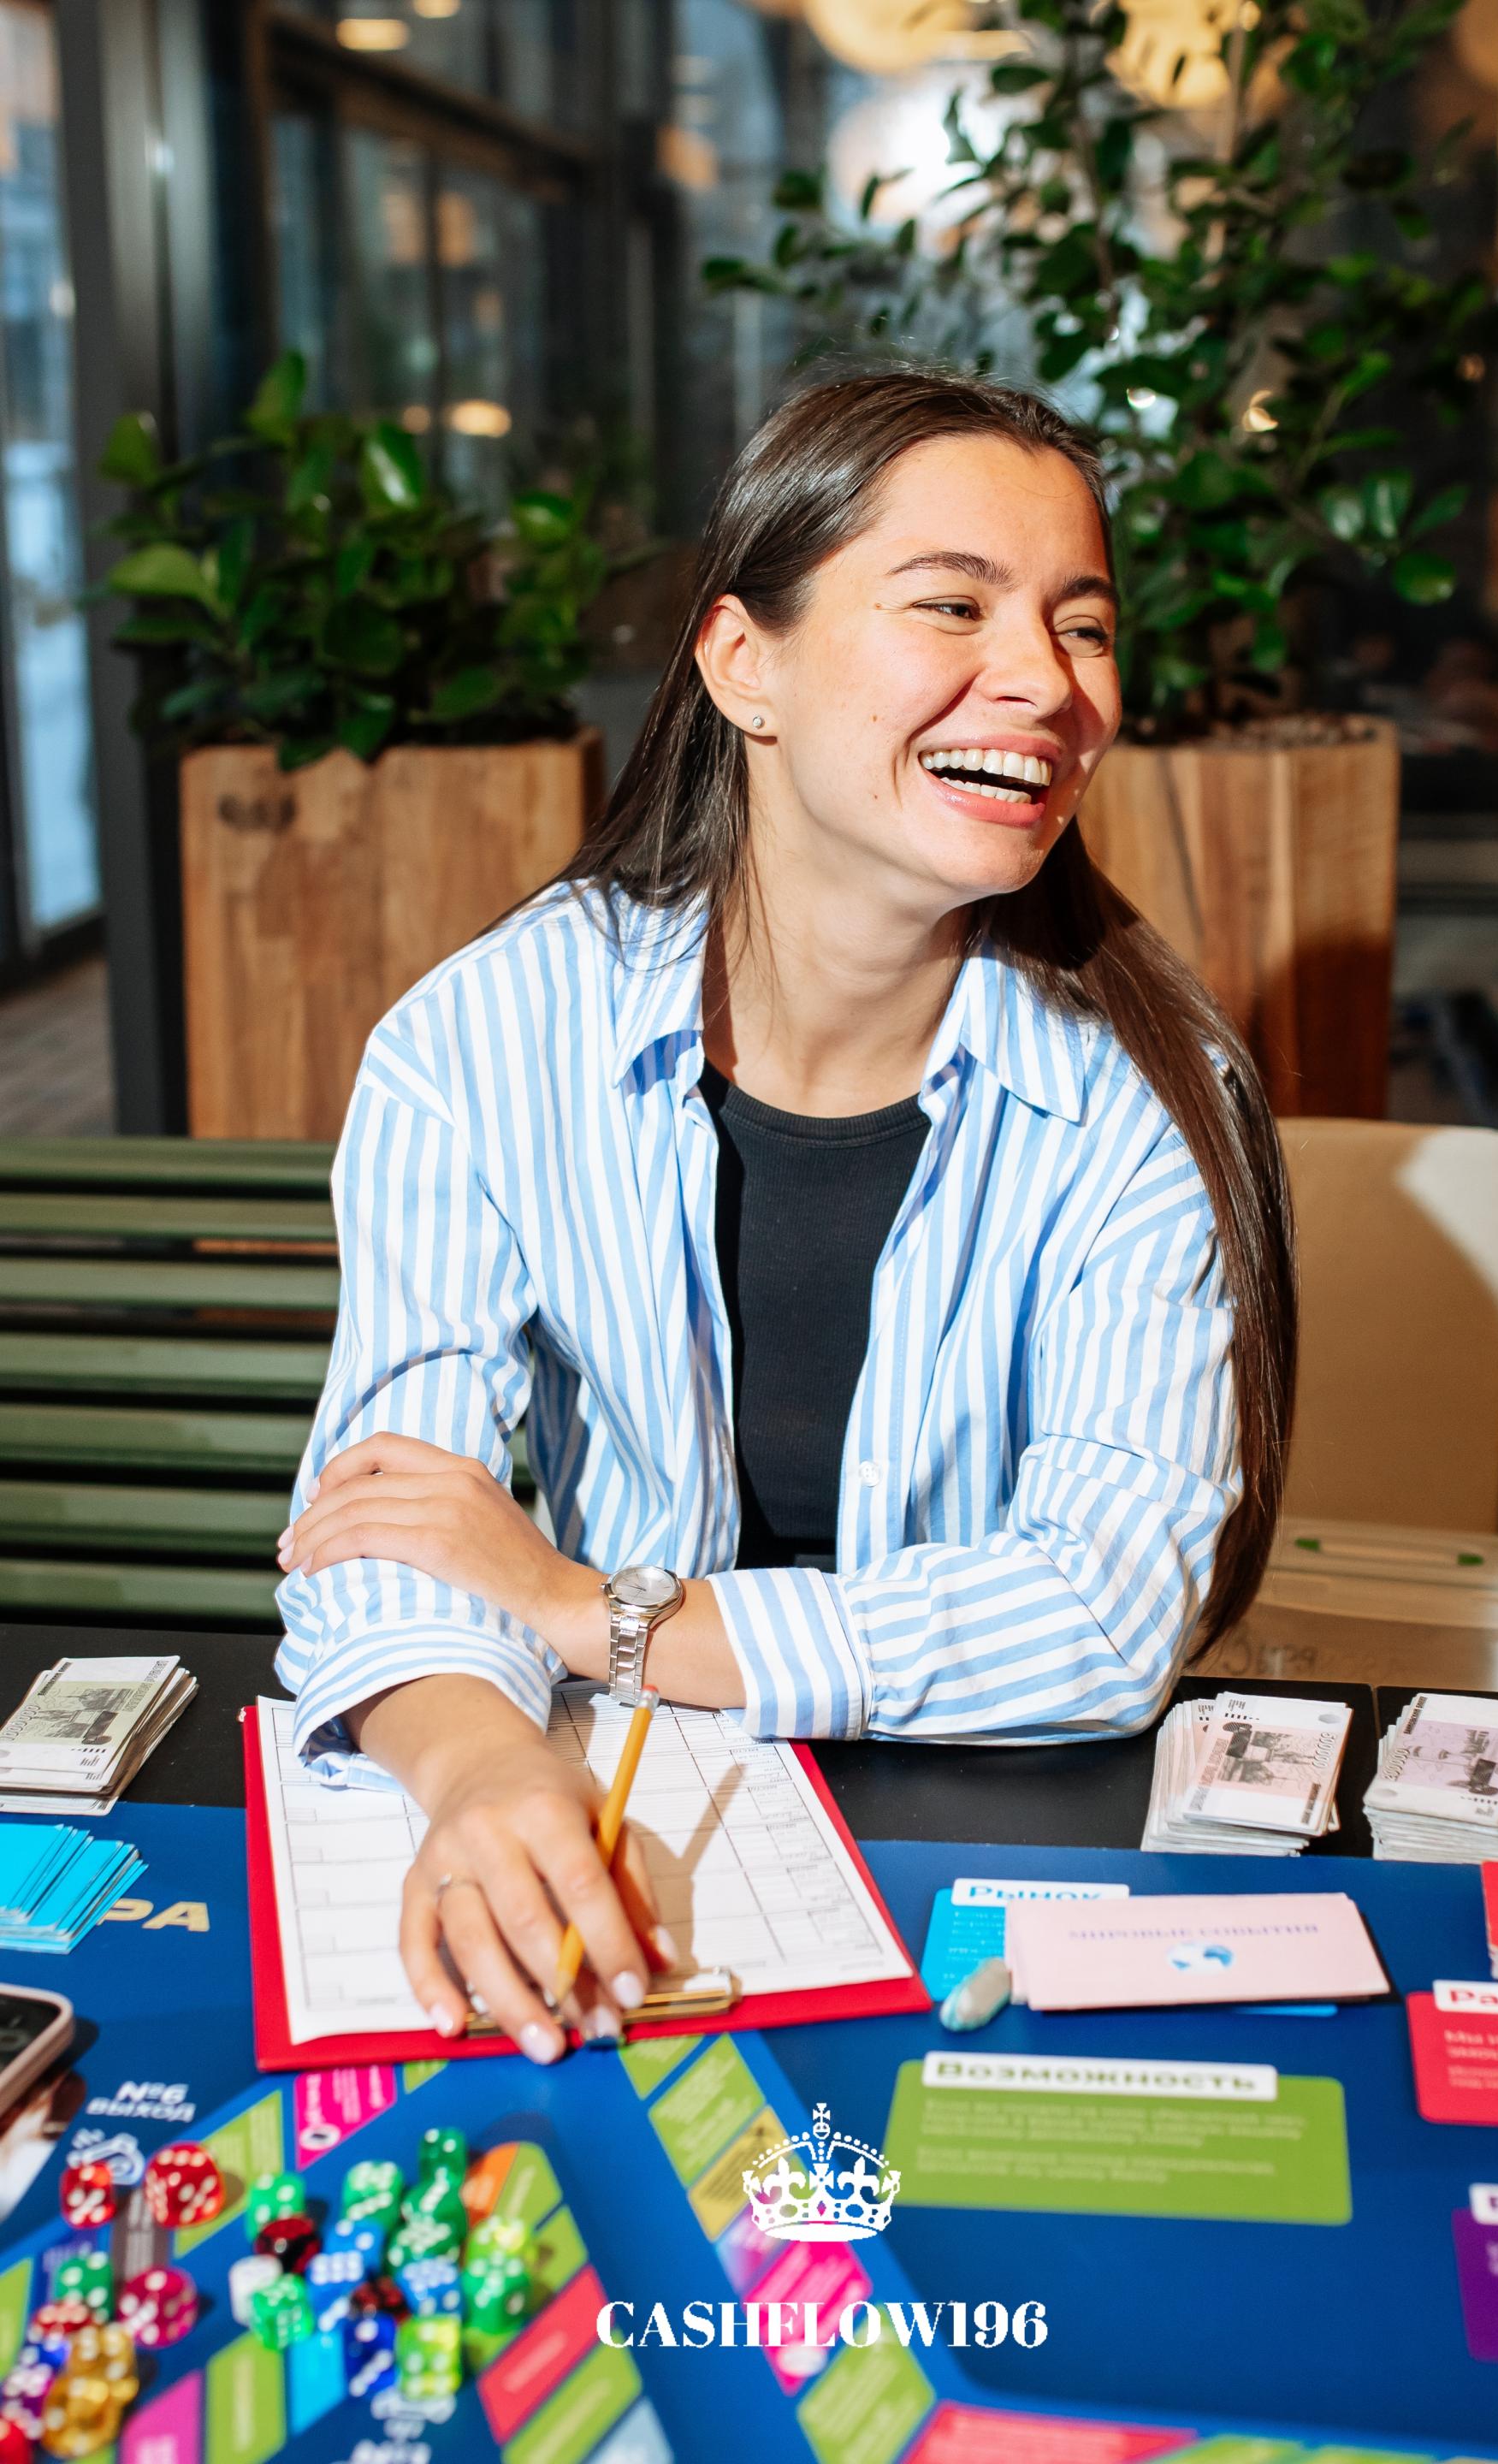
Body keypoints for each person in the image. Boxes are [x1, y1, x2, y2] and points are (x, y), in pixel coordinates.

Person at [274, 368, 1295, 2064]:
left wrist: (595, 1615)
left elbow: (1106, 1614)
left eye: (1084, 625)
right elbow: (386, 1525)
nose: (1049, 682)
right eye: (953, 604)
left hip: (994, 1859)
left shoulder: (1151, 1095)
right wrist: (478, 1766)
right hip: (626, 1804)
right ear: (743, 661)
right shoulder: (483, 1042)